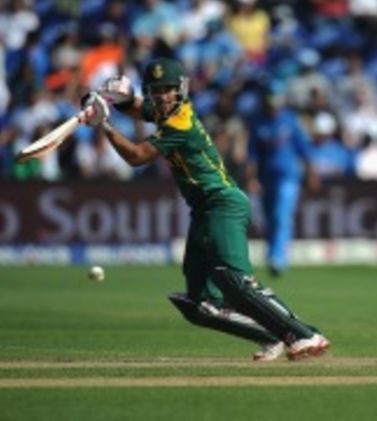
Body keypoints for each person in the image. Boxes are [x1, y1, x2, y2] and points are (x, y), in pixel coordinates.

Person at [77, 58, 330, 361]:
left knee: (235, 282)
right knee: (201, 306)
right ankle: (270, 336)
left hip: (223, 202)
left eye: (168, 90)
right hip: (203, 210)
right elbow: (138, 108)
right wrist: (112, 100)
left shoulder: (180, 123)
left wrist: (103, 124)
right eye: (156, 90)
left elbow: (137, 156)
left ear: (181, 89)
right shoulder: (166, 112)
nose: (162, 96)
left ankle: (303, 335)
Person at [245, 83, 319, 276]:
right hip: (266, 178)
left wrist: (311, 174)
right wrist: (251, 178)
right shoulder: (258, 122)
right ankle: (272, 255)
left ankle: (278, 258)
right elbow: (253, 155)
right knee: (270, 218)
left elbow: (305, 150)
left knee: (281, 215)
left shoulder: (290, 121)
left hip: (288, 176)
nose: (272, 104)